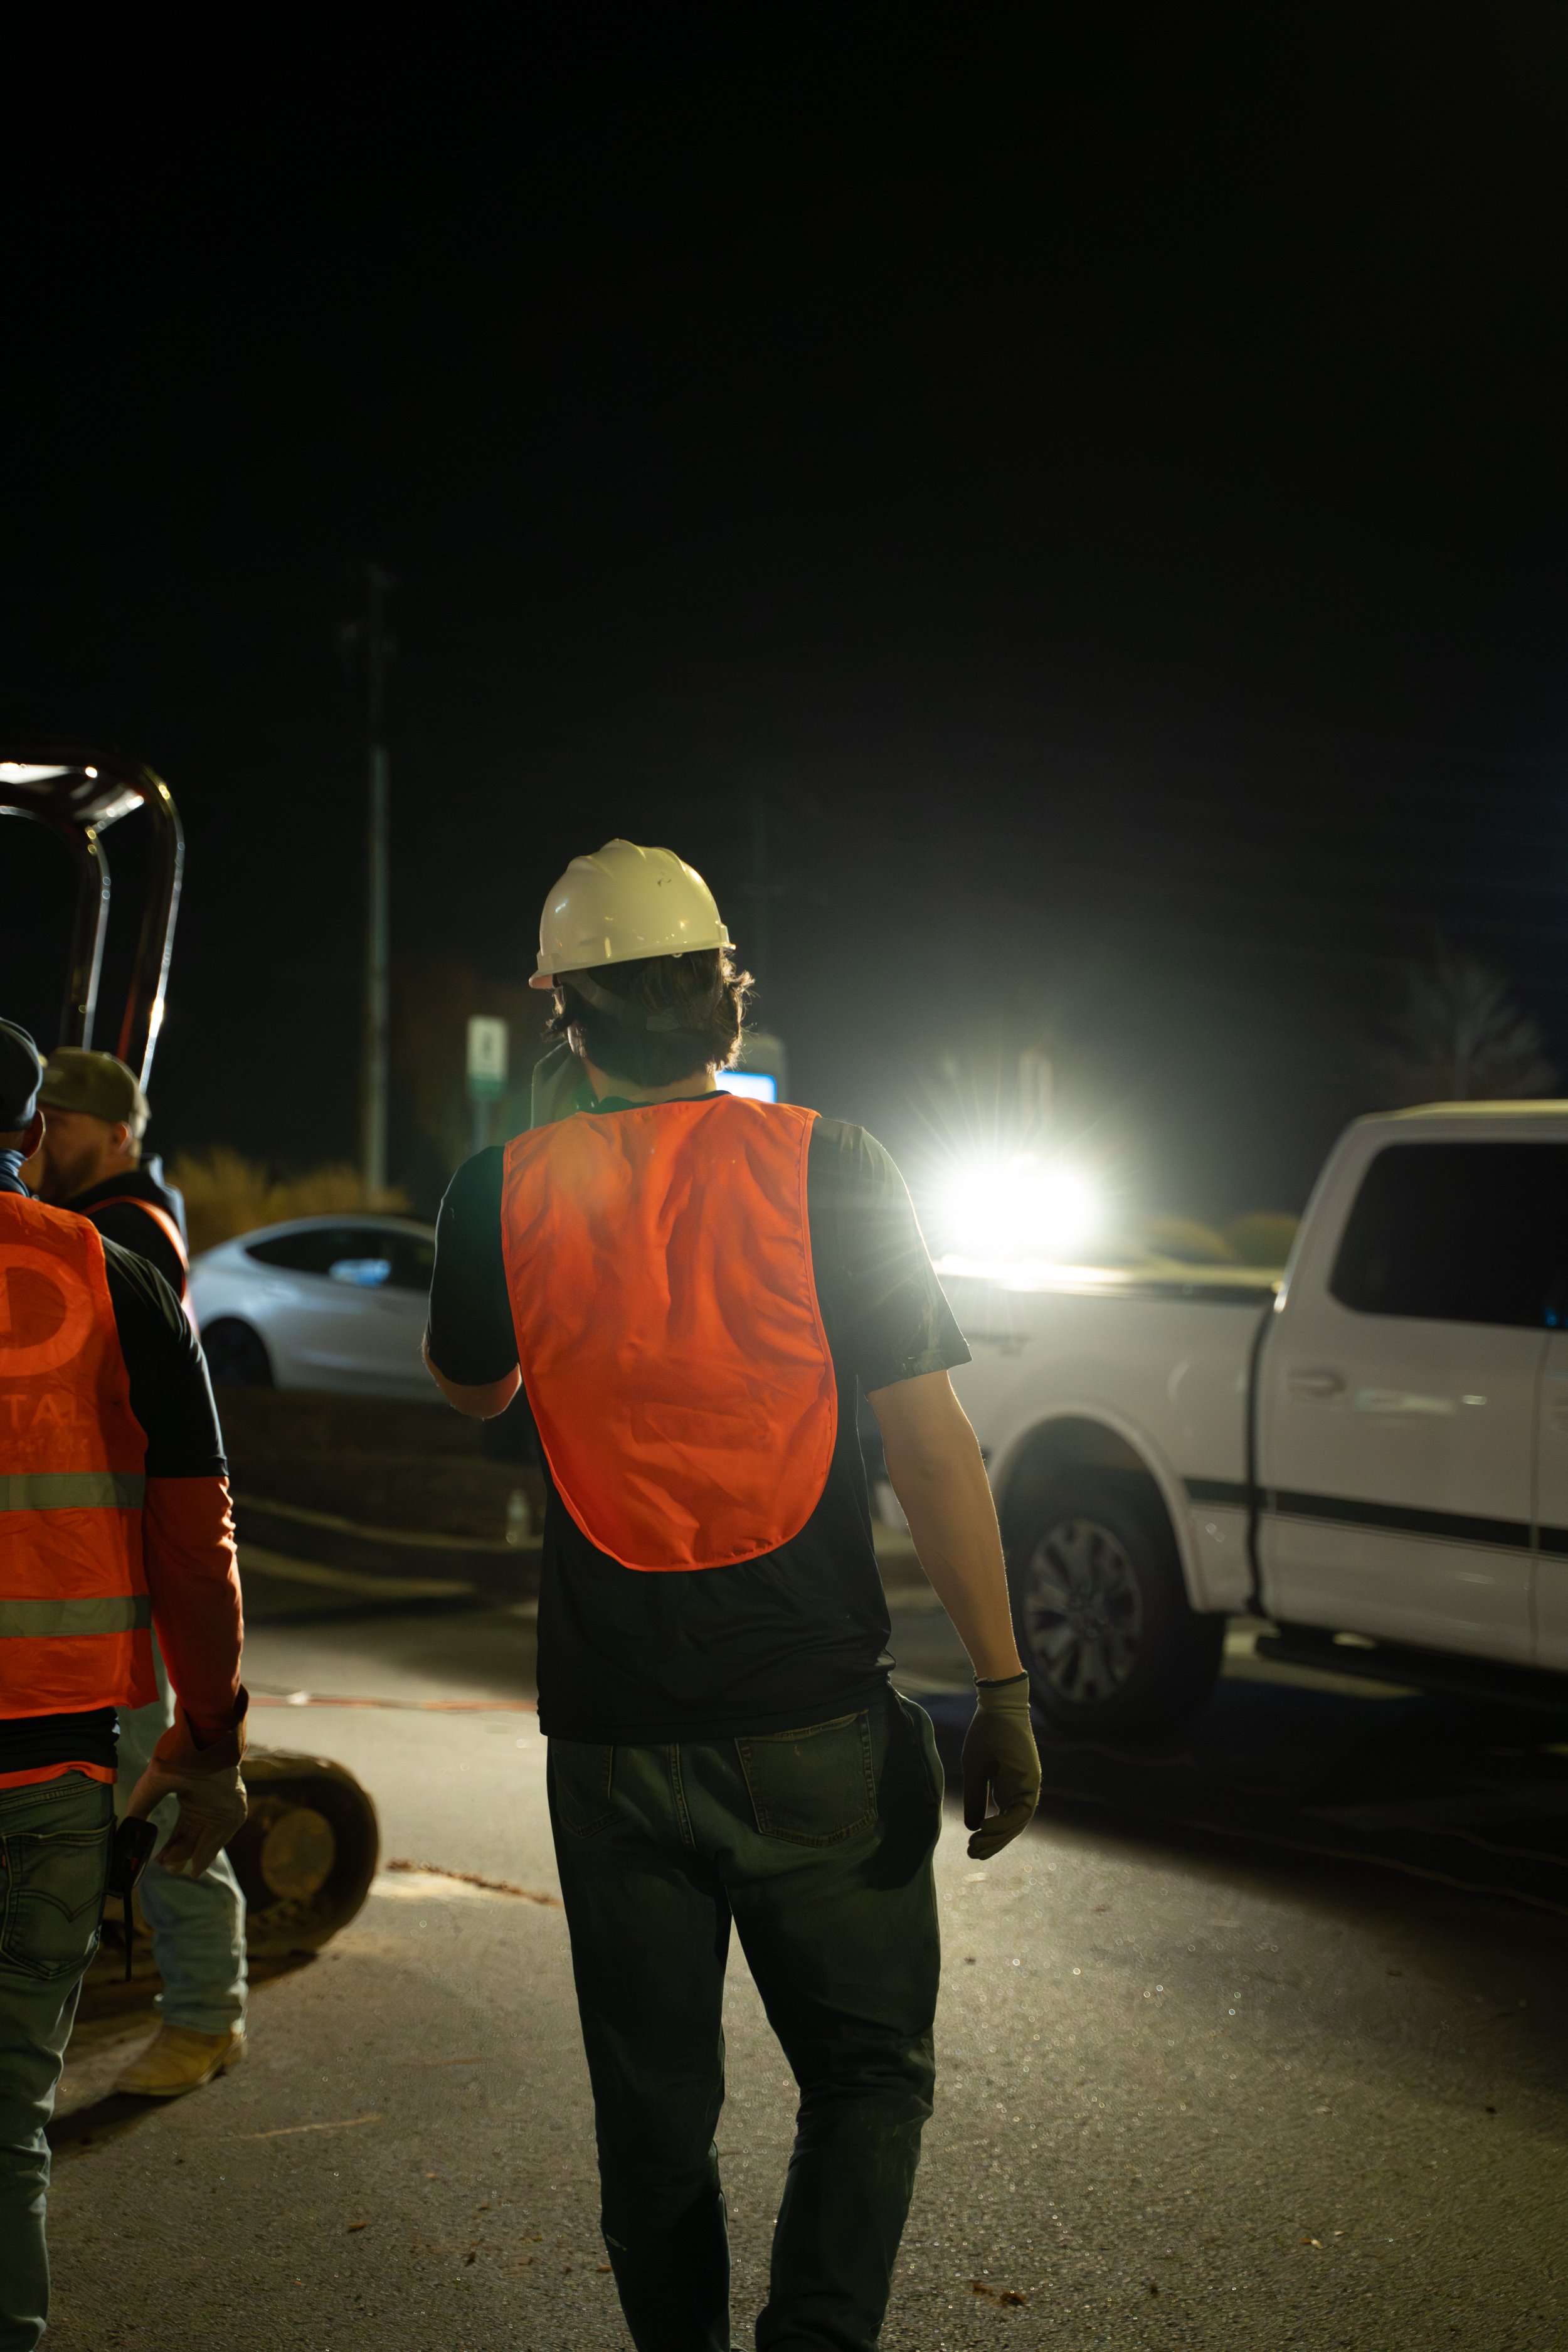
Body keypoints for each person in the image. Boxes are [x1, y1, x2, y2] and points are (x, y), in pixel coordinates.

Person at [423, 840, 1041, 2352]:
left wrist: (540, 1200)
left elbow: (473, 1386)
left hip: (611, 1737)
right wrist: (1003, 1686)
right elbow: (934, 1448)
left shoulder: (498, 1187)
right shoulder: (837, 1165)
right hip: (814, 1713)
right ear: (725, 997)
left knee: (653, 2125)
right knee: (868, 2073)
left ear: (565, 1014)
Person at [0, 1019, 247, 2352]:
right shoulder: (108, 1270)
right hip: (54, 1741)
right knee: (8, 2117)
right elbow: (197, 1532)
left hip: (71, 1711)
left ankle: (206, 2011)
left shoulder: (127, 1240)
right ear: (31, 1132)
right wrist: (212, 1731)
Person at [27, 1047, 247, 2095]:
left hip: (112, 1581)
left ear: (119, 1132)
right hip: (82, 1576)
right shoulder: (108, 1224)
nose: (45, 1136)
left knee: (158, 1797)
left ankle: (206, 2013)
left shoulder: (119, 1236)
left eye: (64, 1121)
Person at [28, 1047, 189, 1303]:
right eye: (31, 1119)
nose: (35, 1135)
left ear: (116, 1139)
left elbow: (26, 1306)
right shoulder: (129, 1212)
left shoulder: (122, 1233)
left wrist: (19, 1194)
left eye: (54, 1122)